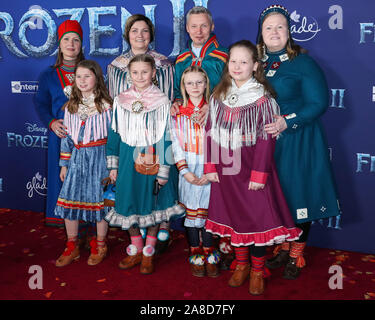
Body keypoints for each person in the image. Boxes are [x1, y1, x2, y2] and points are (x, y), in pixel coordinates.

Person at [204, 40, 301, 295]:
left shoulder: (262, 98)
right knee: (233, 216)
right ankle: (242, 265)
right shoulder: (219, 95)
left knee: (256, 219)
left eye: (244, 61)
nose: (237, 66)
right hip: (225, 169)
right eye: (233, 61)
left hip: (251, 169)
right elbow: (210, 133)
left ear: (255, 66)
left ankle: (258, 269)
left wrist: (259, 174)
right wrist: (210, 165)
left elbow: (266, 139)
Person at [256, 5, 341, 280]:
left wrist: (287, 121)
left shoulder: (303, 62)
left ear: (289, 31)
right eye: (269, 27)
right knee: (275, 196)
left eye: (280, 26)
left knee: (297, 193)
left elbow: (318, 103)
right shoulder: (254, 62)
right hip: (264, 143)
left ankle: (296, 253)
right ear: (261, 32)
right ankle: (282, 246)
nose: (274, 32)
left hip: (296, 139)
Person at [105, 54, 184, 274]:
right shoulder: (121, 100)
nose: (140, 76)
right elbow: (114, 134)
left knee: (154, 206)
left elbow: (166, 137)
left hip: (153, 161)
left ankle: (149, 251)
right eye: (135, 72)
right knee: (126, 204)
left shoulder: (161, 101)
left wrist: (164, 170)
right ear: (129, 75)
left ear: (153, 73)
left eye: (145, 72)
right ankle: (136, 249)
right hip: (127, 162)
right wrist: (113, 166)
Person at [107, 14, 176, 252]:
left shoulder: (164, 68)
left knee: (154, 195)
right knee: (129, 193)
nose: (140, 35)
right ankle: (137, 242)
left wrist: (165, 165)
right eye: (135, 30)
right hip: (128, 146)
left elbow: (167, 131)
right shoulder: (117, 74)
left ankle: (154, 241)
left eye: (145, 30)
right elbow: (114, 129)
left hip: (154, 145)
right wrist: (113, 165)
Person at [172, 6, 234, 267]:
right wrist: (176, 102)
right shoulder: (181, 59)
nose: (199, 31)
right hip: (189, 140)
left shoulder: (223, 57)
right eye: (193, 26)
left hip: (216, 134)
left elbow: (233, 89)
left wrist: (213, 105)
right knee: (193, 202)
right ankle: (196, 246)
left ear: (212, 27)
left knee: (216, 197)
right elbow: (178, 89)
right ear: (186, 29)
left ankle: (220, 240)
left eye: (204, 26)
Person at [34, 20, 95, 243]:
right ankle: (67, 227)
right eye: (66, 39)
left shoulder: (92, 71)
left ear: (81, 44)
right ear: (59, 44)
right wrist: (51, 122)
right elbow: (40, 103)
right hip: (61, 136)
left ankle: (88, 219)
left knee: (88, 176)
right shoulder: (48, 75)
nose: (71, 44)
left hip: (89, 136)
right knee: (64, 176)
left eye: (76, 40)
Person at [54, 60, 113, 267]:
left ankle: (100, 243)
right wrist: (64, 164)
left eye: (87, 76)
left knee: (99, 201)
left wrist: (113, 166)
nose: (82, 80)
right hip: (78, 159)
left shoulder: (107, 107)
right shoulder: (71, 106)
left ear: (97, 78)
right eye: (78, 77)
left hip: (100, 158)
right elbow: (67, 138)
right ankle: (72, 244)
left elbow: (115, 138)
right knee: (70, 198)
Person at [170, 65, 219, 278]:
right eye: (190, 83)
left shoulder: (215, 110)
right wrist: (185, 171)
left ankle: (209, 250)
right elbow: (174, 143)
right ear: (183, 86)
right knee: (191, 211)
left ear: (206, 84)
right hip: (188, 167)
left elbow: (220, 141)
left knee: (208, 211)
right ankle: (195, 251)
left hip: (211, 168)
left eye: (199, 82)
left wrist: (212, 169)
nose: (195, 86)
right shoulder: (178, 113)